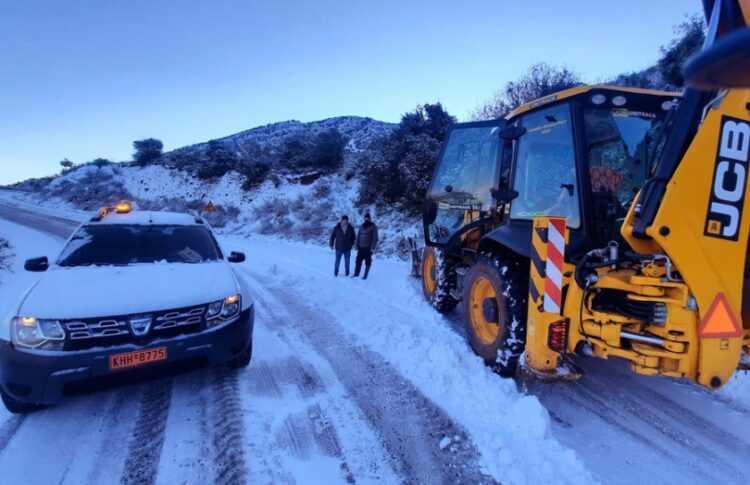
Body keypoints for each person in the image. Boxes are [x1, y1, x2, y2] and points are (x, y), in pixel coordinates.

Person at [353, 213, 379, 280]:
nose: (366, 219)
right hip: (360, 248)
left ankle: (365, 276)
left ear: (370, 219)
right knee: (358, 261)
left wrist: (372, 248)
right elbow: (358, 236)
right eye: (365, 218)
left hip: (368, 248)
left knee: (368, 262)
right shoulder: (362, 226)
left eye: (367, 218)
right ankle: (356, 274)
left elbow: (375, 238)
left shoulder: (373, 226)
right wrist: (356, 245)